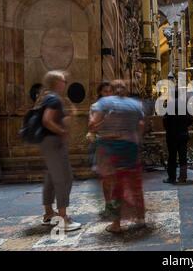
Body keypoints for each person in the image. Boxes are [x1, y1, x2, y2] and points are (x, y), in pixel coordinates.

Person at [89, 80, 145, 233]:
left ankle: (116, 223)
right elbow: (141, 125)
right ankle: (140, 217)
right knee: (135, 183)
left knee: (116, 185)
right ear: (126, 91)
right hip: (130, 147)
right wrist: (136, 139)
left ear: (112, 90)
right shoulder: (135, 104)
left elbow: (92, 125)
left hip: (110, 148)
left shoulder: (104, 103)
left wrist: (104, 123)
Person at [37, 71, 81, 232]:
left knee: (51, 177)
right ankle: (63, 218)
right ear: (56, 82)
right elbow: (47, 120)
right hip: (54, 141)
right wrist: (61, 131)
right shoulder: (54, 98)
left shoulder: (45, 97)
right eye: (64, 81)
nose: (65, 84)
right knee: (64, 177)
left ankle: (49, 213)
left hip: (46, 142)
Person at [87, 81, 113, 219]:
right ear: (100, 93)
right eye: (105, 91)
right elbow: (92, 127)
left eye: (110, 91)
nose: (108, 94)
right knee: (107, 177)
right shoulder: (95, 107)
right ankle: (108, 204)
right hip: (103, 143)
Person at [163, 90, 193, 185]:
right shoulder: (184, 105)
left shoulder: (170, 104)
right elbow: (190, 119)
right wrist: (184, 126)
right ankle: (183, 177)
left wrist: (169, 128)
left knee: (172, 157)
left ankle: (172, 178)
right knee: (183, 157)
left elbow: (165, 120)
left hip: (172, 135)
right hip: (183, 134)